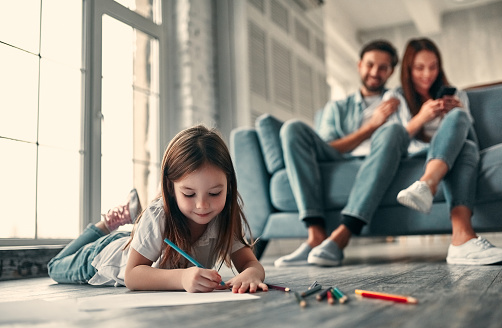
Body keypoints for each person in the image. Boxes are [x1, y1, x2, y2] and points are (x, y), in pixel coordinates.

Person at [48, 125, 268, 293]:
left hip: (137, 242)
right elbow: (132, 276)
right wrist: (182, 279)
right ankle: (103, 227)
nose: (203, 205)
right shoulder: (158, 215)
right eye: (189, 194)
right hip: (101, 259)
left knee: (139, 237)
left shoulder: (224, 216)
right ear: (170, 189)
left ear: (229, 186)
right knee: (54, 267)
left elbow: (250, 262)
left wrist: (251, 274)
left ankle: (124, 227)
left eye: (214, 193)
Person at [275, 40, 409, 267]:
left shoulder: (399, 101)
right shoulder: (338, 108)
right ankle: (316, 235)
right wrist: (371, 127)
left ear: (391, 71)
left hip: (380, 160)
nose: (375, 72)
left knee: (394, 131)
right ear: (359, 66)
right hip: (340, 158)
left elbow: (408, 138)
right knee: (292, 128)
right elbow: (329, 148)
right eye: (370, 65)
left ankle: (341, 236)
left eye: (383, 67)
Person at [392, 38, 502, 265]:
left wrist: (457, 112)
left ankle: (427, 184)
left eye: (433, 66)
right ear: (408, 70)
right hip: (420, 153)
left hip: (457, 148)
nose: (427, 74)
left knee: (461, 122)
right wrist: (422, 118)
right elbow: (392, 141)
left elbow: (469, 134)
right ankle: (461, 240)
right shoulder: (397, 98)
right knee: (466, 148)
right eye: (419, 68)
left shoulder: (457, 95)